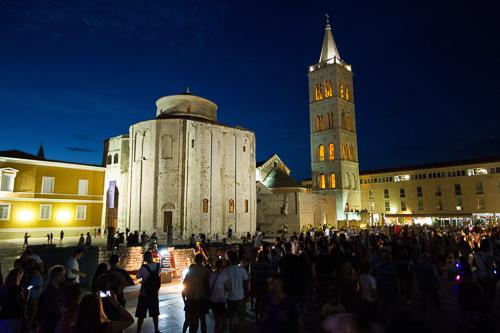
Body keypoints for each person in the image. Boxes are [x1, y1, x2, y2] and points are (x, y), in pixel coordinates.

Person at [183, 253, 210, 333]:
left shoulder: (191, 270)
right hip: (202, 298)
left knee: (193, 323)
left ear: (195, 260)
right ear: (202, 260)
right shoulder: (206, 270)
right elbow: (208, 285)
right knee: (203, 320)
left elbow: (185, 283)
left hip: (191, 298)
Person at [136, 250, 161, 333]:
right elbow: (158, 275)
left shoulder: (143, 267)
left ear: (144, 258)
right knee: (155, 313)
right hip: (154, 293)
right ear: (151, 256)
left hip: (144, 293)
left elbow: (138, 276)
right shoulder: (158, 266)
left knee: (141, 314)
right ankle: (156, 329)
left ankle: (138, 331)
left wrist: (143, 264)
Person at [37, 265, 66, 333]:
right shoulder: (49, 291)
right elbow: (51, 307)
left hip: (58, 320)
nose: (64, 277)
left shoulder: (62, 288)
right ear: (57, 276)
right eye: (62, 275)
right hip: (49, 321)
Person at [224, 251, 248, 332]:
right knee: (241, 318)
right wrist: (246, 296)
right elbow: (246, 285)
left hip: (230, 297)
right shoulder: (242, 270)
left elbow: (224, 286)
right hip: (240, 297)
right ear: (237, 260)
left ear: (230, 260)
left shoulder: (226, 270)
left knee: (231, 318)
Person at [0, 268, 26, 333]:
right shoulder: (16, 289)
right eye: (21, 277)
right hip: (14, 318)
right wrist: (26, 296)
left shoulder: (3, 288)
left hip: (3, 317)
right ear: (18, 277)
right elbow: (22, 304)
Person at [208, 259, 229, 333]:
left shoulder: (210, 275)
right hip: (221, 301)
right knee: (224, 323)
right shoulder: (223, 275)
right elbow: (227, 288)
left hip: (213, 301)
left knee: (217, 321)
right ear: (222, 266)